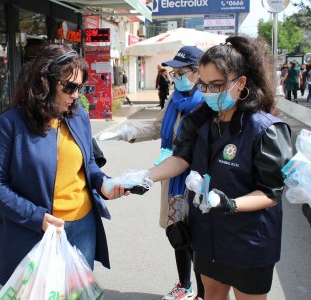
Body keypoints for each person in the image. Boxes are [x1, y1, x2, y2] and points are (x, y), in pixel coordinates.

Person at [133, 36, 292, 299]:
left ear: (240, 83)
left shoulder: (265, 129)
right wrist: (143, 177)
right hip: (206, 235)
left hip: (249, 242)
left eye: (216, 85)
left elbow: (270, 193)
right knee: (212, 293)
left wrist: (229, 204)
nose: (207, 93)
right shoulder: (199, 120)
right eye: (203, 85)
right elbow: (181, 158)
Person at [0, 44, 128, 286]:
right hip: (35, 232)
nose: (75, 95)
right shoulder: (12, 123)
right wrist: (36, 217)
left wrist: (103, 183)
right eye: (69, 87)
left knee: (75, 292)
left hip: (82, 227)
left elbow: (88, 161)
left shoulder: (78, 114)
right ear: (44, 83)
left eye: (79, 88)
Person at [99, 46, 206, 300]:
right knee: (177, 229)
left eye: (182, 72)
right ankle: (184, 285)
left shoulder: (207, 101)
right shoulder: (174, 99)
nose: (176, 76)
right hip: (171, 174)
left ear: (198, 72)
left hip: (198, 180)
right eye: (174, 72)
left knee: (200, 237)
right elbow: (159, 126)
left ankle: (204, 293)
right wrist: (128, 132)